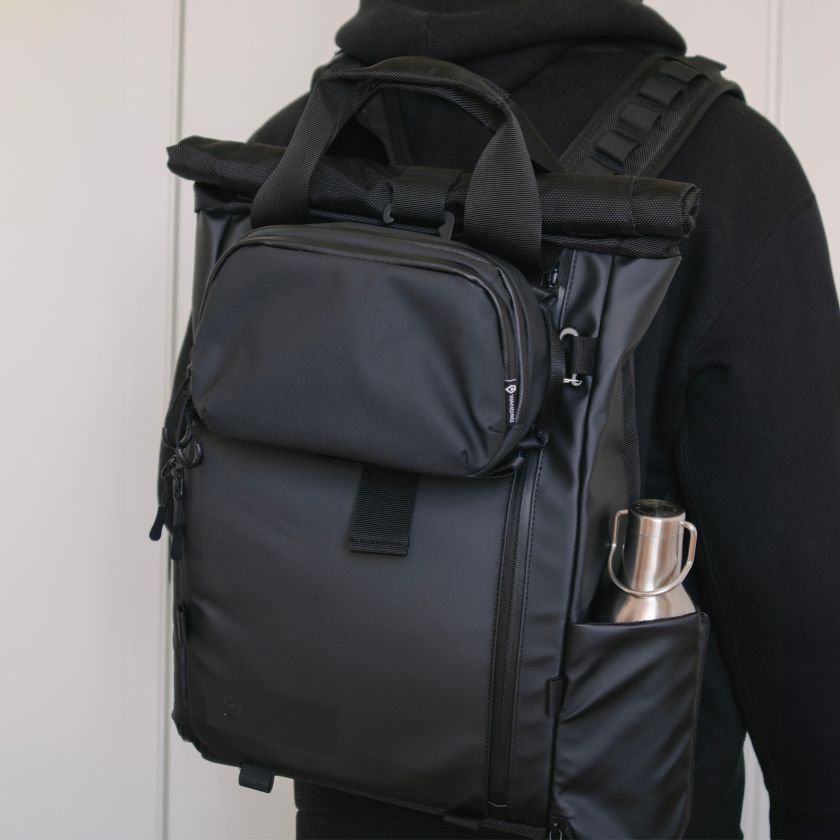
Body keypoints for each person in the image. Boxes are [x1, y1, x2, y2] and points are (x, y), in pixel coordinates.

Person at [250, 2, 840, 837]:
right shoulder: (728, 166)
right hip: (619, 808)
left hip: (346, 802)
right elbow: (798, 586)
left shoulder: (295, 149)